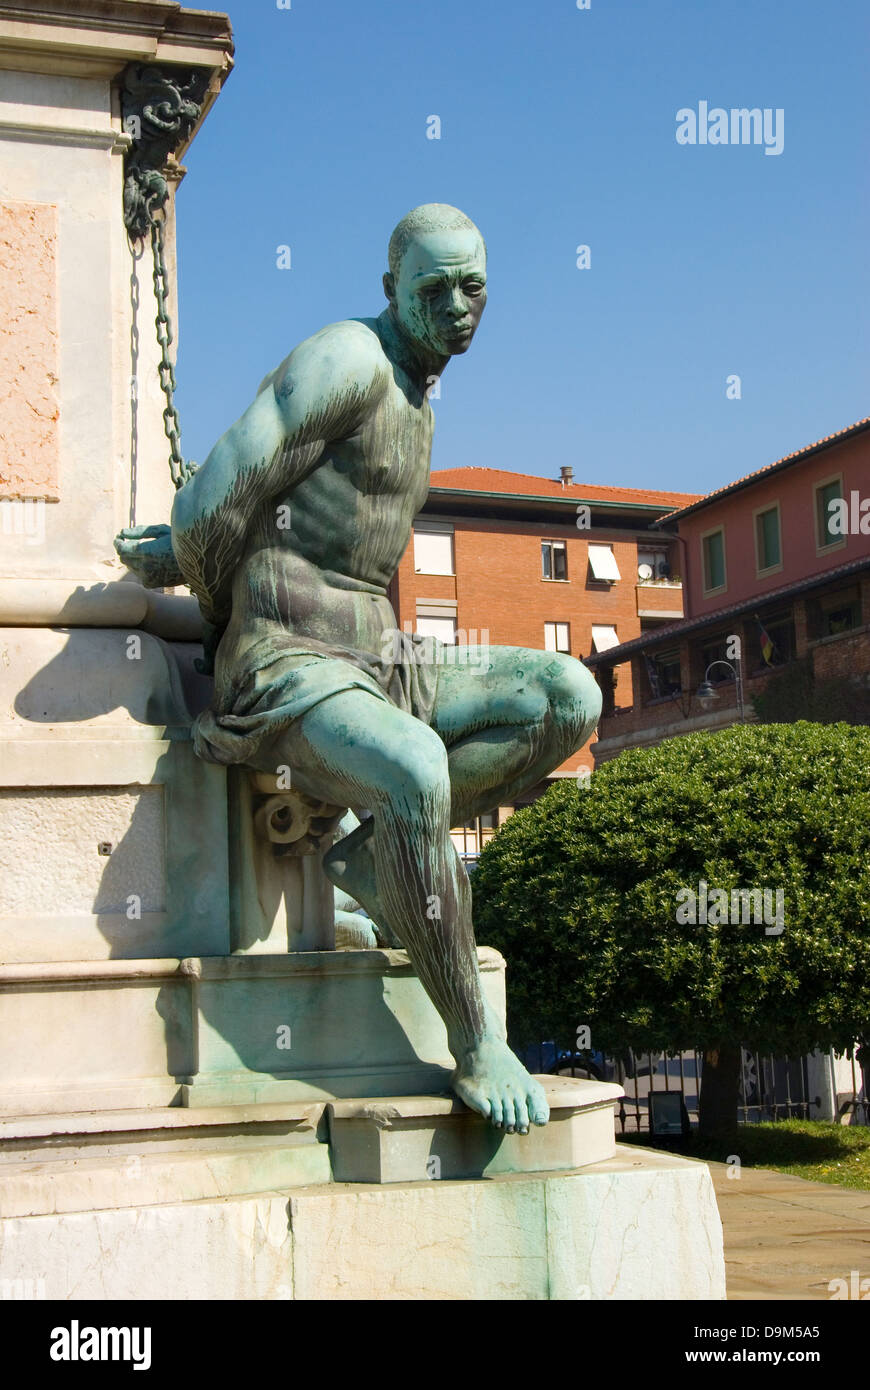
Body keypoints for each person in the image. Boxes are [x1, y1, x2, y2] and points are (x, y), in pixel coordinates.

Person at [117, 204, 601, 1134]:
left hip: (383, 657)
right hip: (290, 655)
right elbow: (212, 504)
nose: (458, 308)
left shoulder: (422, 395)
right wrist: (229, 631)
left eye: (474, 288)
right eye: (434, 289)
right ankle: (475, 1043)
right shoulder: (348, 359)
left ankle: (376, 859)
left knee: (566, 695)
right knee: (414, 767)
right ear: (390, 289)